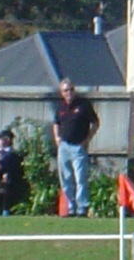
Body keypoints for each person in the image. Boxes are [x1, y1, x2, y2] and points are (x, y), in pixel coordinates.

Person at [53, 78, 100, 217]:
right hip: (64, 146)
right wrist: (57, 138)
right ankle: (70, 207)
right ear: (62, 93)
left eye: (71, 89)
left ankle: (82, 208)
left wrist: (87, 140)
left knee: (80, 178)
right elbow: (56, 123)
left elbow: (96, 123)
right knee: (66, 179)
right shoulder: (61, 107)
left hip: (78, 146)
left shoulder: (84, 105)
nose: (69, 93)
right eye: (66, 90)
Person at [0, 128, 23, 216]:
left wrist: (3, 170)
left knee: (8, 180)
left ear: (7, 140)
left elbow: (14, 167)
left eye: (0, 139)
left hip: (8, 175)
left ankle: (5, 209)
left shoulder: (14, 154)